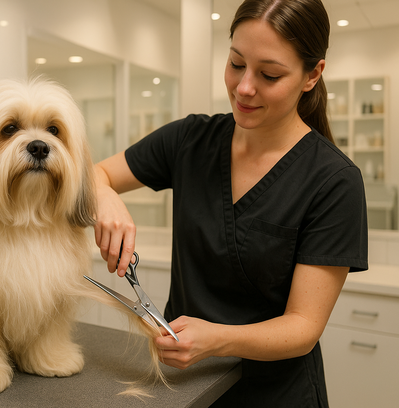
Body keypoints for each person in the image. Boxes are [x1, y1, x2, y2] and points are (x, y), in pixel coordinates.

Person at [93, 0, 368, 406]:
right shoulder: (189, 140)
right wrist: (103, 196)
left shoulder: (334, 181)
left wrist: (219, 338)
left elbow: (304, 326)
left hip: (276, 394)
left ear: (313, 74)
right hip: (185, 388)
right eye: (236, 64)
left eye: (269, 74)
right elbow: (93, 172)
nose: (244, 87)